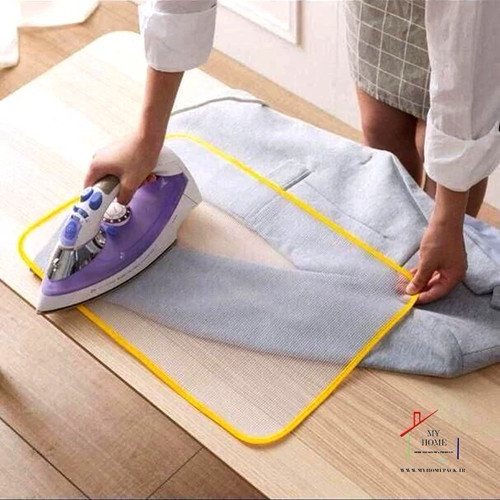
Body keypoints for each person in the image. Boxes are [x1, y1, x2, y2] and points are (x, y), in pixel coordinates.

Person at [86, 0, 500, 304]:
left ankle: (444, 250)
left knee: (437, 148)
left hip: (477, 19)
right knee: (382, 130)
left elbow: (469, 72)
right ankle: (401, 255)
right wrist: (148, 135)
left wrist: (447, 220)